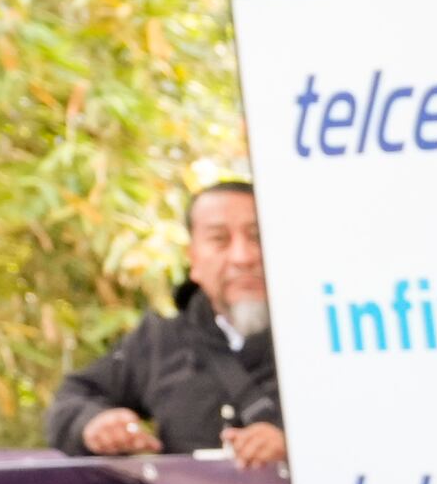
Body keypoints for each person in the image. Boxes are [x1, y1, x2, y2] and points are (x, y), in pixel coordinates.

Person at [52, 179, 286, 466]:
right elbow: (72, 398)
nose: (243, 257)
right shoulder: (158, 339)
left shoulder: (332, 335)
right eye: (220, 240)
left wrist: (295, 445)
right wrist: (94, 424)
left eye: (257, 238)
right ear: (194, 259)